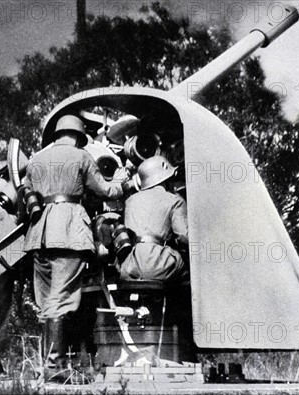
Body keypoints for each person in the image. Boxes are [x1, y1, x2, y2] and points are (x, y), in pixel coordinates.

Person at [22, 114, 124, 377]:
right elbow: (104, 191)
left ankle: (47, 366)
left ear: (57, 135)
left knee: (47, 302)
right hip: (69, 232)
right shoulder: (81, 156)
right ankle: (54, 368)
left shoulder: (36, 159)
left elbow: (27, 191)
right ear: (79, 135)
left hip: (39, 235)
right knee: (62, 299)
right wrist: (121, 182)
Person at [119, 155, 189, 284]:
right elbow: (184, 237)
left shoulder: (130, 201)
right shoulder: (174, 200)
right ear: (166, 179)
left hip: (131, 266)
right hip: (160, 264)